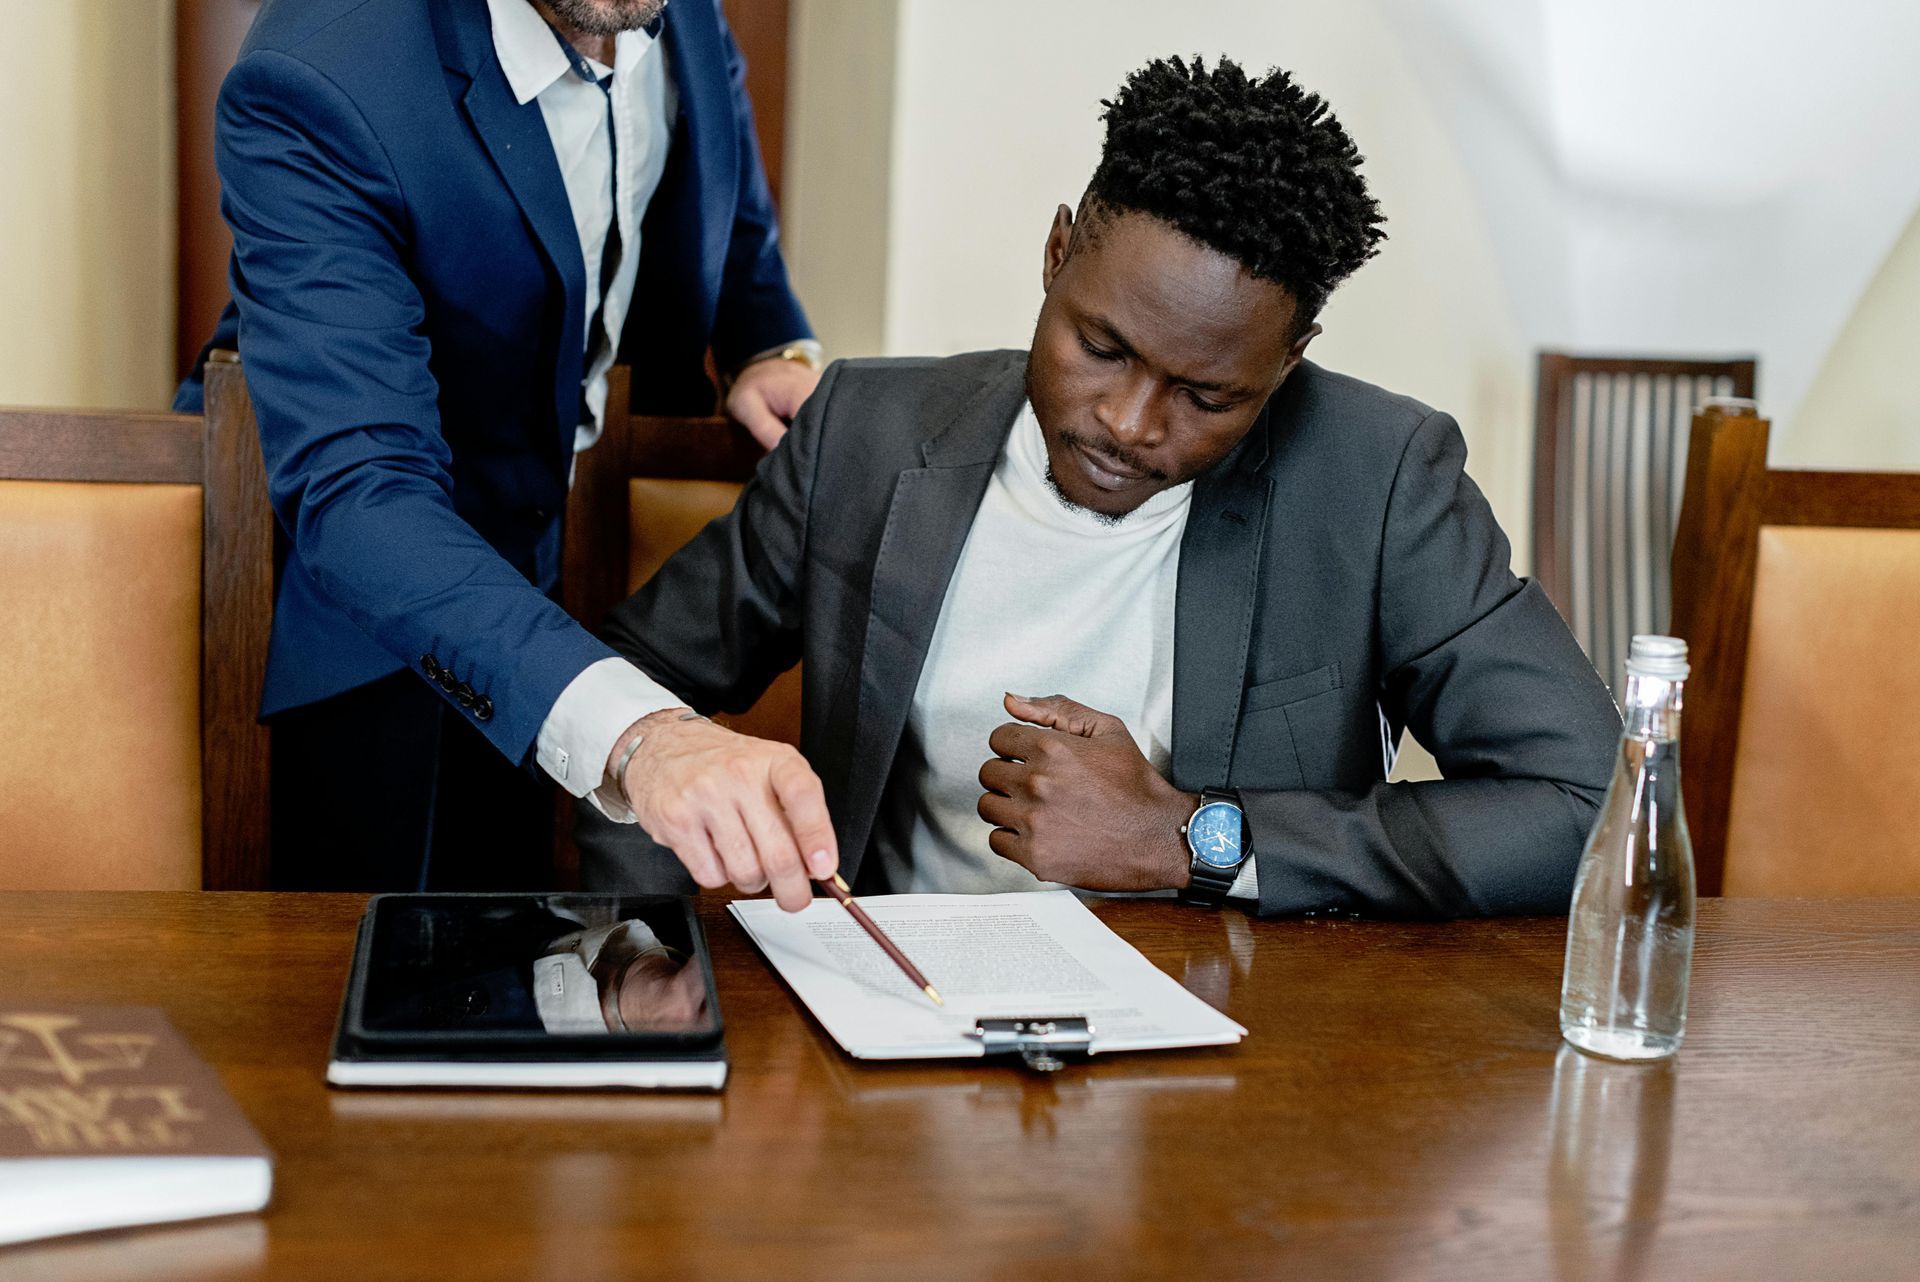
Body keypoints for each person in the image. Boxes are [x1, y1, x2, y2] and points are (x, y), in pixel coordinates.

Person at [579, 54, 1623, 918]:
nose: (1129, 423)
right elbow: (627, 682)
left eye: (1207, 395)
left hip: (1240, 1081)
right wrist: (647, 955)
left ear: (1289, 360)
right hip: (896, 1047)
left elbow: (1585, 803)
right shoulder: (866, 433)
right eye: (1103, 346)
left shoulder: (1381, 478)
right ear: (1057, 250)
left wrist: (1189, 837)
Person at [173, 0, 838, 891]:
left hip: (583, 576)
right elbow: (362, 487)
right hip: (368, 612)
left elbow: (729, 210)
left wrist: (767, 345)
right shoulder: (316, 75)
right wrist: (640, 736)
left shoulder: (681, 16)